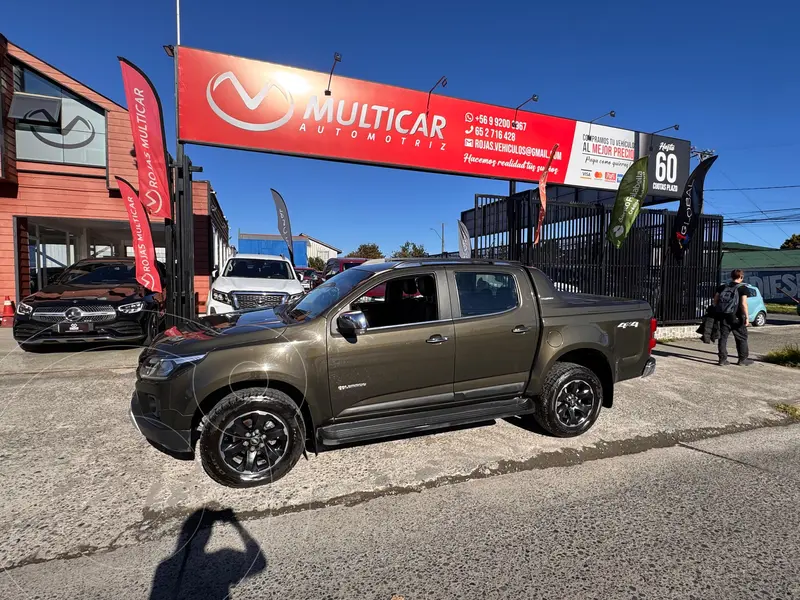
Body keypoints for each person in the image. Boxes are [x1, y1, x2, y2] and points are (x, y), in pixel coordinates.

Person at [713, 269, 754, 366]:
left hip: (723, 316)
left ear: (731, 277)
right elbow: (743, 304)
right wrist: (747, 318)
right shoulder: (743, 288)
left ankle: (722, 360)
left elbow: (715, 300)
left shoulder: (723, 287)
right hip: (737, 317)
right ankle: (742, 360)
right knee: (741, 338)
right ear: (741, 277)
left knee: (723, 338)